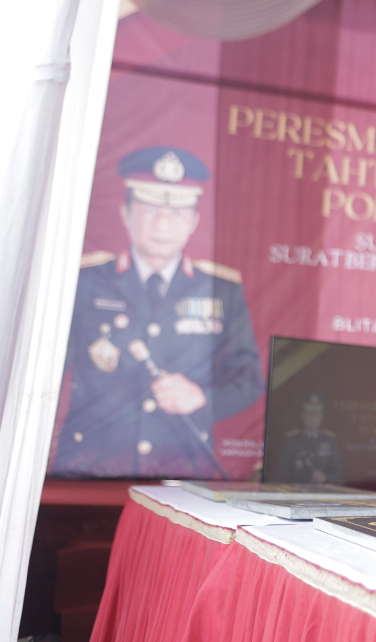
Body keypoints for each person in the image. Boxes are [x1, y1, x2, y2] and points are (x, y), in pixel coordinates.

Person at [52, 147, 264, 478]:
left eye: (176, 213)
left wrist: (201, 398)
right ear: (126, 213)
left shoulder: (222, 290)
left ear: (194, 221)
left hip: (179, 470)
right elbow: (45, 370)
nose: (162, 224)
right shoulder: (85, 281)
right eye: (150, 210)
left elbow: (248, 381)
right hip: (90, 466)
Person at [272, 392, 342, 483]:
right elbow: (282, 472)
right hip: (297, 492)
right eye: (310, 415)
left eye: (316, 416)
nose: (313, 419)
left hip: (322, 492)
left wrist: (325, 477)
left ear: (321, 418)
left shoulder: (329, 440)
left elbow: (338, 470)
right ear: (303, 417)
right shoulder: (292, 440)